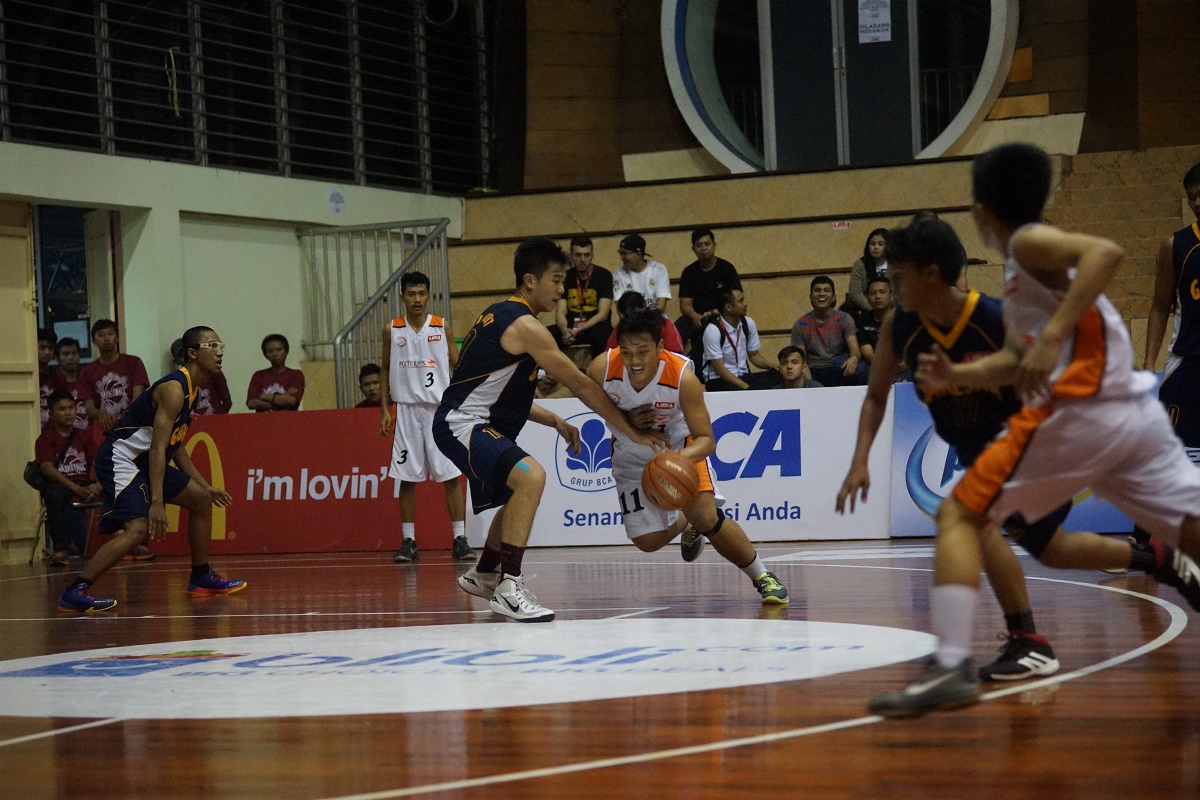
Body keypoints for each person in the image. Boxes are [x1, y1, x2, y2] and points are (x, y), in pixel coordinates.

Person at [867, 143, 1200, 717]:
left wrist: (1052, 336)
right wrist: (958, 374)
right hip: (1130, 418)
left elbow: (1106, 253)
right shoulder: (1023, 269)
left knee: (960, 515)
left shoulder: (1026, 243)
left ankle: (950, 665)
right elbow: (1019, 359)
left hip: (1077, 419)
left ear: (982, 210)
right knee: (1190, 533)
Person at [435, 237, 666, 622]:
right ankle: (509, 586)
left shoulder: (498, 314)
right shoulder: (527, 326)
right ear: (530, 280)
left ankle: (486, 572)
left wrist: (556, 421)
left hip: (466, 419)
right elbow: (581, 384)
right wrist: (629, 428)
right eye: (557, 280)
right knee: (532, 476)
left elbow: (497, 394)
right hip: (462, 423)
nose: (562, 290)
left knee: (519, 489)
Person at [586, 305, 788, 603]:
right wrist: (627, 420)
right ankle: (685, 520)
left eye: (642, 352)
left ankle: (762, 576)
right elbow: (593, 402)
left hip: (680, 447)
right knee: (647, 542)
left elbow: (706, 440)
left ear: (659, 347)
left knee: (706, 516)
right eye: (626, 353)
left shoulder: (683, 378)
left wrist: (675, 461)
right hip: (629, 452)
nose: (634, 361)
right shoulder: (601, 369)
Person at [57, 326, 246, 613]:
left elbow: (175, 446)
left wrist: (204, 485)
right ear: (193, 353)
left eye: (221, 346)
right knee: (137, 530)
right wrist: (156, 502)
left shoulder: (192, 390)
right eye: (212, 345)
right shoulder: (174, 389)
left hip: (145, 460)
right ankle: (75, 590)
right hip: (121, 457)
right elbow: (158, 448)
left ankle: (200, 576)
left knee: (201, 499)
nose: (220, 352)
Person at [379, 271, 472, 563]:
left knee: (450, 475)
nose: (417, 299)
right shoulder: (392, 329)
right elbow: (384, 368)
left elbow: (459, 365)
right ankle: (409, 541)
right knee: (407, 478)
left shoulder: (441, 326)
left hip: (439, 411)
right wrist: (384, 409)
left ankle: (460, 539)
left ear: (429, 296)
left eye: (421, 294)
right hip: (406, 411)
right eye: (411, 294)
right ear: (403, 297)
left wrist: (462, 403)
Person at [1144, 162, 1200, 467]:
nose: (1196, 202)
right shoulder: (1176, 246)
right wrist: (1149, 365)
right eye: (1191, 196)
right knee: (1174, 463)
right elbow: (1159, 306)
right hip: (1186, 365)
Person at [36, 390, 102, 566]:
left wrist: (99, 485)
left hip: (85, 483)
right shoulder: (45, 438)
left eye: (71, 408)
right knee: (54, 494)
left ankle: (133, 543)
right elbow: (47, 468)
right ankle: (61, 550)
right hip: (61, 484)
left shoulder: (84, 435)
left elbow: (100, 463)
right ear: (51, 414)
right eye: (62, 409)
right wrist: (76, 489)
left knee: (120, 487)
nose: (68, 413)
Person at [676, 227, 742, 359]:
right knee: (675, 331)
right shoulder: (689, 272)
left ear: (714, 245)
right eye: (699, 245)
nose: (703, 248)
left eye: (707, 244)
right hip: (696, 317)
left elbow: (737, 299)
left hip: (722, 315)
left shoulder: (727, 269)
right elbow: (685, 304)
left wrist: (712, 313)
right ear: (693, 249)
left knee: (707, 334)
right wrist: (694, 315)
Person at [790, 276, 869, 386]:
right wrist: (810, 384)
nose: (822, 294)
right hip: (814, 369)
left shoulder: (844, 319)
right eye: (817, 290)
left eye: (826, 290)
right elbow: (800, 359)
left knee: (863, 370)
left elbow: (855, 351)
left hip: (838, 367)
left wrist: (854, 358)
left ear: (833, 297)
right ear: (811, 297)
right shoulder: (800, 324)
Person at [700, 288, 779, 391]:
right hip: (719, 380)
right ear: (728, 307)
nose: (745, 304)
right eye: (741, 301)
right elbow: (720, 369)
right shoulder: (713, 330)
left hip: (743, 376)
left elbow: (754, 356)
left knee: (779, 376)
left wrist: (772, 366)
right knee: (748, 388)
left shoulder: (748, 323)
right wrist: (747, 388)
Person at [551, 235, 614, 359]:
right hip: (571, 324)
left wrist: (579, 330)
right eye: (578, 255)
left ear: (592, 255)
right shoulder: (565, 277)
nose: (583, 259)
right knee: (547, 334)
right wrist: (564, 330)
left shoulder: (603, 275)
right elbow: (560, 312)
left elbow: (603, 314)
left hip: (594, 325)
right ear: (571, 256)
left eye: (587, 255)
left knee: (601, 333)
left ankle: (598, 369)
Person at [79, 319, 149, 430]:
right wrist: (100, 414)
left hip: (132, 424)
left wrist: (128, 415)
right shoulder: (87, 371)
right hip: (103, 427)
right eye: (101, 335)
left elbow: (138, 394)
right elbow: (88, 406)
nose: (106, 339)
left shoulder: (133, 362)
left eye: (110, 334)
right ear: (93, 340)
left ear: (117, 337)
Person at [606, 292, 686, 354]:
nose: (631, 324)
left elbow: (677, 356)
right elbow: (608, 356)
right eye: (626, 320)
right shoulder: (621, 327)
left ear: (643, 308)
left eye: (634, 318)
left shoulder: (664, 325)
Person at [612, 234, 671, 317]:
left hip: (655, 318)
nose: (622, 257)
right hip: (631, 321)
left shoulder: (658, 269)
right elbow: (620, 308)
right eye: (620, 253)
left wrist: (644, 320)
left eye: (624, 253)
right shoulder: (618, 274)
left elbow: (661, 304)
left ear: (638, 253)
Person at [171, 338, 231, 416]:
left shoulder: (212, 372)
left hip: (215, 418)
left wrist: (221, 417)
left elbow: (226, 400)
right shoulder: (177, 380)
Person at [247, 334, 305, 412]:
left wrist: (269, 397)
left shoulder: (296, 375)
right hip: (263, 419)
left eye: (279, 350)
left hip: (288, 419)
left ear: (286, 351)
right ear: (265, 355)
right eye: (270, 351)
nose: (275, 354)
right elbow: (251, 403)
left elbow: (292, 401)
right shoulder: (259, 376)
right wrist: (283, 397)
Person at [843, 228, 889, 313]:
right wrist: (873, 310)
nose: (876, 247)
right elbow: (855, 293)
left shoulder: (897, 265)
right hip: (867, 310)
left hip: (892, 311)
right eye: (872, 244)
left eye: (880, 244)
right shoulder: (860, 264)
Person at [52, 338, 90, 431]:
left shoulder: (88, 382)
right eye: (66, 354)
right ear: (57, 358)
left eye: (74, 353)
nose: (71, 357)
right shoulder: (53, 385)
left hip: (88, 435)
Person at [855, 277, 892, 364]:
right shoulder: (862, 320)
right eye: (873, 293)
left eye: (882, 292)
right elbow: (868, 354)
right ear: (867, 298)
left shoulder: (903, 318)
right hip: (875, 364)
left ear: (892, 295)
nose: (878, 297)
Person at [38, 327, 58, 427]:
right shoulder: (25, 376)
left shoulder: (57, 376)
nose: (47, 352)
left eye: (50, 348)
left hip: (52, 430)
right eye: (42, 347)